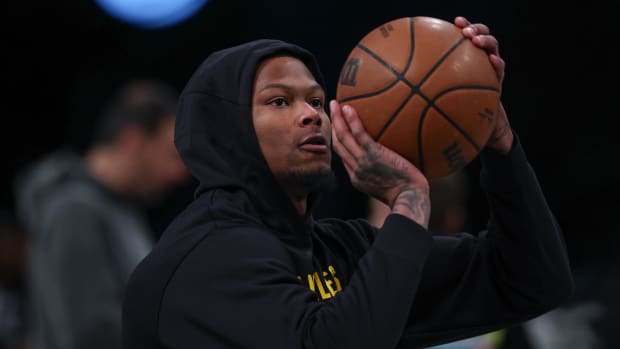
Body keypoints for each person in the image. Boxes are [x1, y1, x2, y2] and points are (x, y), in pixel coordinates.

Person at [122, 16, 573, 348]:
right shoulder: (204, 258)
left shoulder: (342, 250)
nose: (310, 115)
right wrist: (408, 203)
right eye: (279, 101)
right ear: (226, 129)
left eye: (318, 101)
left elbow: (533, 280)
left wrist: (498, 143)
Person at [14, 79, 190, 349]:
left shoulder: (121, 208)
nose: (178, 173)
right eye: (170, 154)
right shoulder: (73, 210)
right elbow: (91, 334)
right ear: (132, 142)